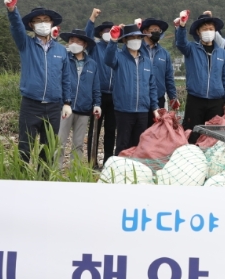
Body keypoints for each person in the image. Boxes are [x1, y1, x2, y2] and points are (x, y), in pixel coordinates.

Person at [5, 0, 73, 163]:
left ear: (52, 23)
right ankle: (21, 178)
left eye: (46, 20)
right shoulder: (26, 44)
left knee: (48, 149)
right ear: (31, 25)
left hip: (54, 106)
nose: (43, 23)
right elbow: (16, 27)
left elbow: (66, 77)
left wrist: (67, 102)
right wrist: (12, 10)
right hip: (30, 104)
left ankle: (43, 179)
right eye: (38, 20)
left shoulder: (61, 50)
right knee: (25, 148)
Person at [174, 14, 225, 140]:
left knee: (212, 137)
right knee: (192, 133)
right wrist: (182, 26)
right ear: (198, 32)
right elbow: (180, 43)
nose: (208, 32)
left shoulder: (222, 53)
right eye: (204, 29)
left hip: (216, 102)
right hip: (196, 100)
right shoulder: (191, 49)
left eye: (211, 29)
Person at [106, 25, 159, 155]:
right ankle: (119, 167)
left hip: (142, 111)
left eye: (138, 37)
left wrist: (155, 108)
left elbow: (152, 86)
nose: (136, 40)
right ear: (125, 40)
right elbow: (108, 59)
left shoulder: (146, 61)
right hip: (124, 110)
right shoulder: (119, 57)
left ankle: (135, 167)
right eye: (132, 38)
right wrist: (113, 40)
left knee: (139, 145)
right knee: (123, 144)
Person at [58, 26, 102, 163]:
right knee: (59, 142)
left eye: (78, 41)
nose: (74, 44)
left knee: (78, 144)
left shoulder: (92, 64)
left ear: (85, 45)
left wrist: (97, 104)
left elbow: (96, 87)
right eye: (72, 41)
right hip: (65, 107)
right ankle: (55, 171)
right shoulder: (64, 59)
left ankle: (75, 172)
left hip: (84, 109)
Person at [87, 15, 117, 168]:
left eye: (111, 31)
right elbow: (87, 36)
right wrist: (92, 20)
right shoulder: (94, 48)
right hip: (97, 95)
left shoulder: (118, 49)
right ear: (100, 33)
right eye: (105, 31)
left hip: (114, 96)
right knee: (94, 130)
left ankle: (108, 161)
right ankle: (92, 162)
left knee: (111, 130)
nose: (108, 33)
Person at [141, 18, 178, 111]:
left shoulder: (164, 53)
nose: (157, 32)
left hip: (159, 99)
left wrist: (173, 97)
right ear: (145, 31)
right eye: (154, 30)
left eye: (158, 30)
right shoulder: (136, 50)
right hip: (140, 99)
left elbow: (169, 77)